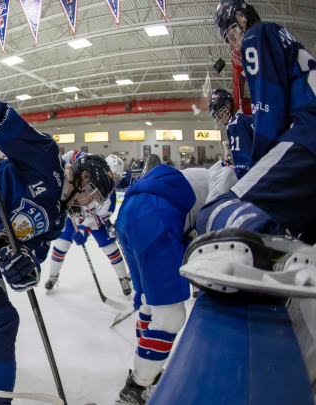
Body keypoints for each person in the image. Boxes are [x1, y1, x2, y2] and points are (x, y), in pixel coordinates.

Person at [0, 86, 115, 405]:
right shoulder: (48, 161)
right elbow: (12, 129)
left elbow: (33, 255)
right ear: (82, 176)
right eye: (91, 194)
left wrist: (25, 269)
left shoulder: (58, 221)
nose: (88, 205)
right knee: (0, 320)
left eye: (94, 203)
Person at [114, 161, 238, 404]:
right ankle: (138, 386)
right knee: (169, 315)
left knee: (151, 303)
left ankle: (145, 368)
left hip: (131, 213)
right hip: (155, 214)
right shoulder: (231, 178)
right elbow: (214, 226)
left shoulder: (209, 173)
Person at [195, 0, 316, 243]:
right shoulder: (283, 39)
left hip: (308, 134)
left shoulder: (257, 36)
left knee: (211, 213)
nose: (233, 42)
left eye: (231, 34)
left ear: (242, 18)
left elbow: (269, 106)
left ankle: (268, 249)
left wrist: (261, 163)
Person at [45, 153, 132, 296]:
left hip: (94, 221)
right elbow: (69, 158)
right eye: (112, 176)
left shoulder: (110, 194)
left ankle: (122, 277)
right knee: (61, 244)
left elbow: (98, 215)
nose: (113, 181)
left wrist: (83, 229)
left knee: (110, 248)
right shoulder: (87, 163)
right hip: (72, 213)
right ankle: (53, 276)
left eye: (116, 178)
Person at [208, 88, 254, 178]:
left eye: (219, 114)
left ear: (228, 106)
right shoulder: (243, 119)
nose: (219, 119)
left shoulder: (236, 123)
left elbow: (243, 165)